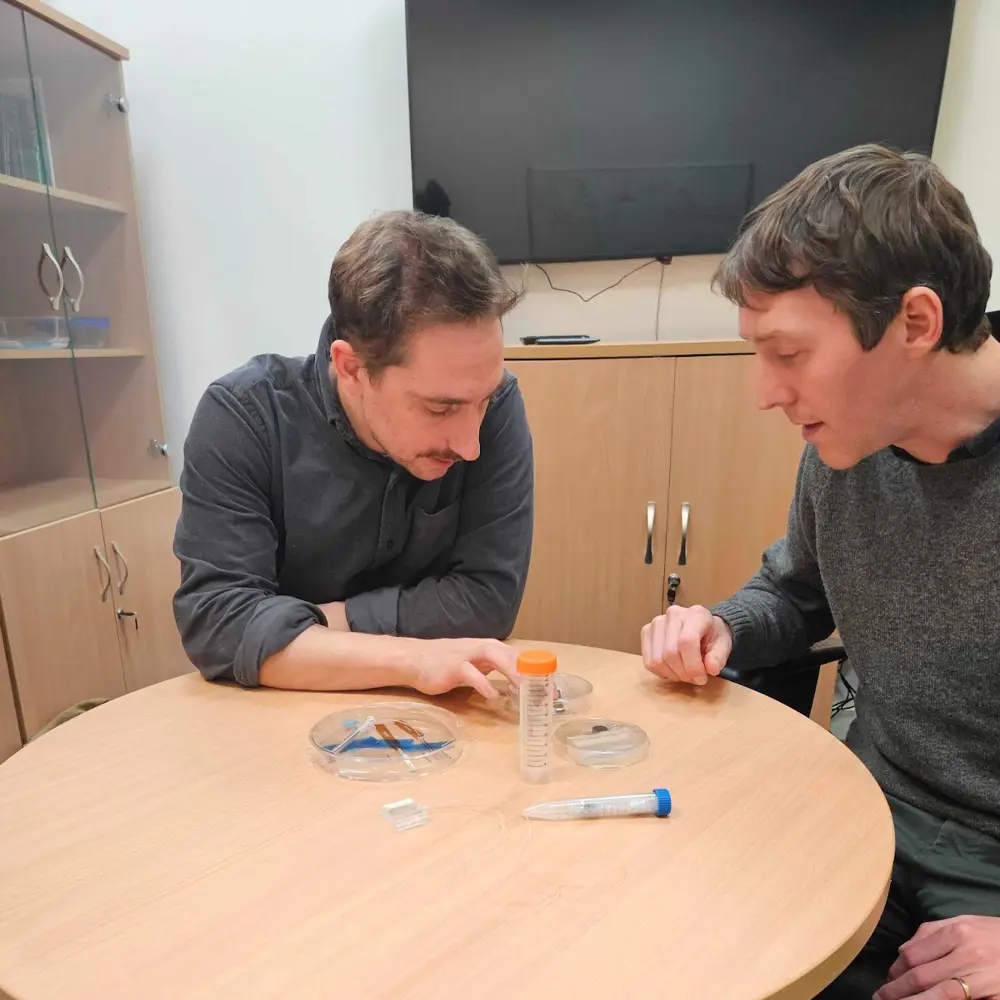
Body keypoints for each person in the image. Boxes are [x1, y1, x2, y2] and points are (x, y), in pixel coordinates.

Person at [640, 145, 1000, 1000]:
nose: (766, 392)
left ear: (916, 322)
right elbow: (793, 594)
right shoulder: (847, 447)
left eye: (788, 354)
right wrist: (723, 624)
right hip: (863, 808)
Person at [173, 210, 533, 701]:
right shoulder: (243, 419)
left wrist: (317, 623)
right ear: (350, 368)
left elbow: (490, 600)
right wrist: (415, 659)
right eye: (439, 407)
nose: (471, 444)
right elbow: (220, 623)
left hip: (448, 721)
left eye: (483, 400)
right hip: (280, 721)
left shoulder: (496, 403)